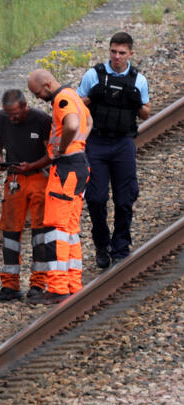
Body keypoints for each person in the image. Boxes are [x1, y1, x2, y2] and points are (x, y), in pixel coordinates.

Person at [76, 32, 150, 269]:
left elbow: (146, 112)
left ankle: (120, 245)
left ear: (130, 54)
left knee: (125, 198)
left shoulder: (138, 80)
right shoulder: (93, 75)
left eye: (121, 53)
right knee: (96, 198)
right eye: (113, 52)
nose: (116, 57)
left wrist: (136, 101)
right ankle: (101, 244)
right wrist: (91, 98)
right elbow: (76, 106)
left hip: (123, 143)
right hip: (96, 142)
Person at [27, 69, 92, 304]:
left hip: (66, 168)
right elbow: (89, 120)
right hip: (79, 164)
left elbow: (73, 125)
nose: (37, 98)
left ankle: (56, 287)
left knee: (56, 228)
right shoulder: (73, 95)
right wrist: (78, 145)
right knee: (70, 229)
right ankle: (73, 283)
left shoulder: (62, 99)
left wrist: (63, 148)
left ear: (46, 83)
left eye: (37, 92)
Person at [0, 89, 52, 301]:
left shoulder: (42, 120)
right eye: (9, 114)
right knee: (9, 231)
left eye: (15, 113)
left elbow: (51, 154)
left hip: (38, 178)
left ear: (25, 106)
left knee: (40, 231)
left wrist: (31, 165)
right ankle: (10, 285)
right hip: (14, 179)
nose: (12, 118)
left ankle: (38, 283)